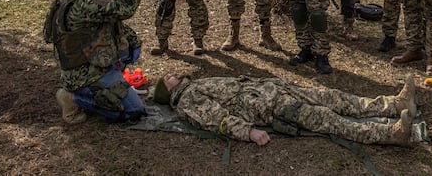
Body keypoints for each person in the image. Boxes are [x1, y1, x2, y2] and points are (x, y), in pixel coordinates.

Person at [153, 72, 418, 146]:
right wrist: (249, 132)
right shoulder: (187, 99)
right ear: (169, 91)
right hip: (269, 106)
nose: (172, 75)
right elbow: (216, 119)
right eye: (168, 78)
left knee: (333, 97)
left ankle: (394, 105)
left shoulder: (196, 83)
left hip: (274, 90)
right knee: (328, 119)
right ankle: (390, 134)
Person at [43, 0, 145, 124]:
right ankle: (73, 98)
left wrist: (134, 42)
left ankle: (113, 83)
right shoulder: (85, 1)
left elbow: (111, 22)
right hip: (84, 74)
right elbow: (125, 9)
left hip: (95, 62)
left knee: (127, 48)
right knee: (134, 110)